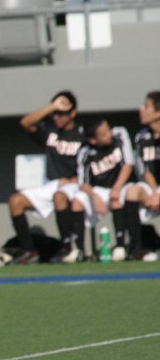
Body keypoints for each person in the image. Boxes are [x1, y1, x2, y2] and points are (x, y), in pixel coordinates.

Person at [9, 90, 86, 264]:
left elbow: (92, 160)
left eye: (62, 113)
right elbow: (26, 122)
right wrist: (53, 106)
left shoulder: (83, 133)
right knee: (16, 201)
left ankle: (66, 248)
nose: (57, 117)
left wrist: (75, 180)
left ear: (72, 113)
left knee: (59, 197)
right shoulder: (50, 132)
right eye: (54, 114)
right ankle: (30, 251)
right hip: (53, 183)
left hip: (75, 184)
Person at [68, 117, 139, 262]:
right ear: (93, 140)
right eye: (104, 134)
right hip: (98, 190)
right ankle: (79, 250)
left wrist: (116, 188)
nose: (109, 135)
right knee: (77, 201)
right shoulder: (85, 151)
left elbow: (128, 164)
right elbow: (83, 182)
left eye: (108, 130)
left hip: (122, 184)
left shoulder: (119, 134)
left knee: (116, 199)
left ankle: (120, 246)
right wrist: (95, 197)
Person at [131, 90, 160, 260]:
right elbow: (145, 168)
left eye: (146, 106)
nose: (141, 109)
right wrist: (155, 192)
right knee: (130, 193)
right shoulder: (142, 136)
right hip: (153, 187)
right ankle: (141, 247)